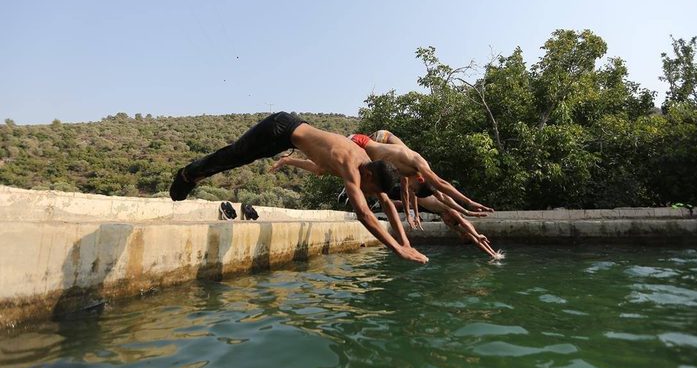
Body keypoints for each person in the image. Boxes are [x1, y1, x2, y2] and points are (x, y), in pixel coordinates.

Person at [170, 112, 428, 263]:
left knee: (242, 157)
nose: (368, 193)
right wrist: (396, 249)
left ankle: (194, 174)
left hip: (288, 136)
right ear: (369, 174)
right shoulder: (351, 164)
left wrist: (405, 241)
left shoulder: (371, 167)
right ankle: (189, 174)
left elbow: (385, 204)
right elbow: (363, 213)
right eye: (370, 189)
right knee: (237, 154)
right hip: (280, 128)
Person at [348, 130, 494, 221]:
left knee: (373, 185)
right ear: (420, 180)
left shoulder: (406, 175)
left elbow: (441, 196)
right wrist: (468, 201)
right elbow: (440, 183)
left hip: (369, 151)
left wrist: (466, 211)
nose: (413, 191)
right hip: (377, 139)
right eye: (415, 189)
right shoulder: (417, 163)